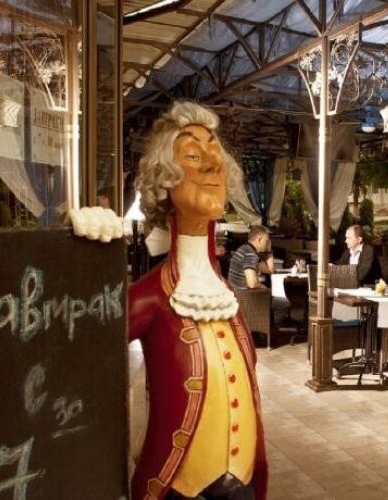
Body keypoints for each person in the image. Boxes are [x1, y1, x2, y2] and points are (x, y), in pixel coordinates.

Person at [126, 102, 267, 500]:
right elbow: (81, 352)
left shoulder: (225, 294)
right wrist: (84, 255)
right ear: (164, 180)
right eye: (192, 155)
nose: (212, 164)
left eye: (215, 153)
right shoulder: (152, 296)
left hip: (244, 485)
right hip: (179, 490)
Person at [228, 225, 291, 325]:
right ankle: (269, 330)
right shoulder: (250, 254)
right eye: (267, 240)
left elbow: (269, 270)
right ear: (260, 240)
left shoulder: (245, 250)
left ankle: (265, 327)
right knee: (284, 303)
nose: (268, 242)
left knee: (273, 298)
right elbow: (252, 284)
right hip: (248, 300)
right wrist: (263, 287)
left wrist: (269, 250)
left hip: (238, 298)